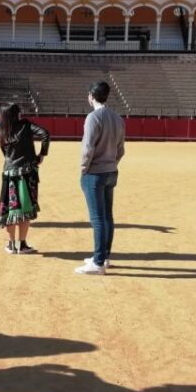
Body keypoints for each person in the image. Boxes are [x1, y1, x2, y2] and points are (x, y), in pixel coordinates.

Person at [75, 81, 125, 275]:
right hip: (111, 171)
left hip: (95, 172)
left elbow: (88, 149)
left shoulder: (93, 118)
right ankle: (104, 256)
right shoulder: (118, 118)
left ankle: (98, 262)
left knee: (97, 218)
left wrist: (83, 169)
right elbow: (121, 149)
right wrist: (112, 163)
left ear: (91, 96)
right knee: (107, 216)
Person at [0, 103, 49, 254]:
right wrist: (41, 155)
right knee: (26, 207)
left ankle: (11, 244)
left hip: (9, 173)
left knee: (10, 209)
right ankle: (22, 244)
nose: (21, 114)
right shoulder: (25, 125)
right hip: (27, 172)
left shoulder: (1, 131)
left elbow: (5, 154)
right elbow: (45, 134)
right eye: (18, 112)